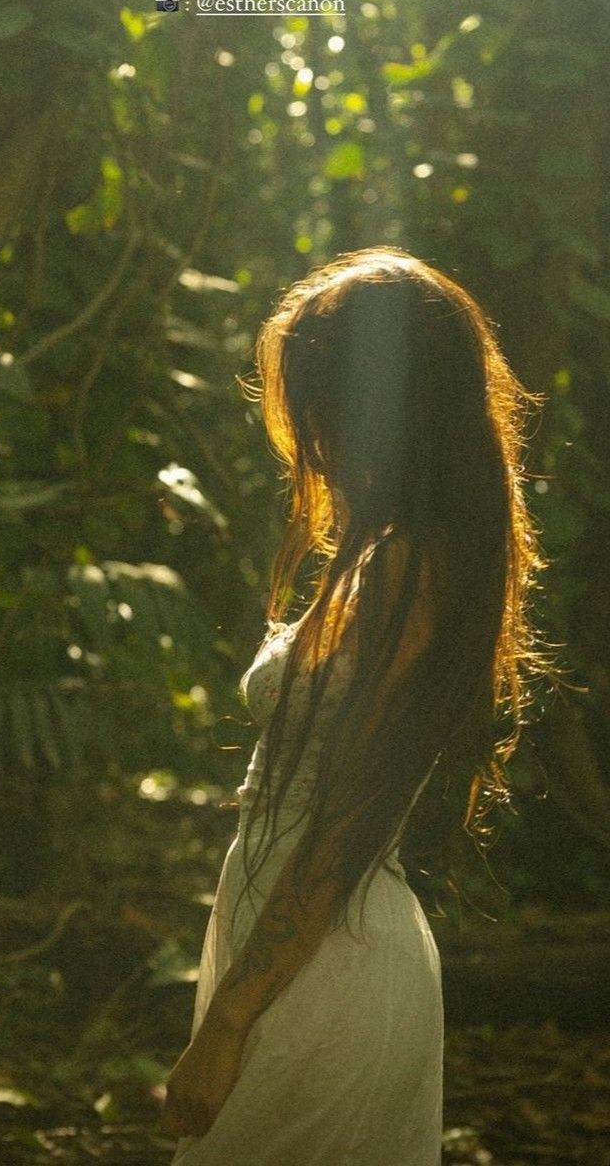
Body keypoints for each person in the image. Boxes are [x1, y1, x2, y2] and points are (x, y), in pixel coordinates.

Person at [160, 247, 550, 1165]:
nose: (311, 436)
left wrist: (226, 1025)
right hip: (291, 952)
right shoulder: (388, 555)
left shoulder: (411, 566)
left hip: (323, 967)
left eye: (322, 402)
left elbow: (346, 823)